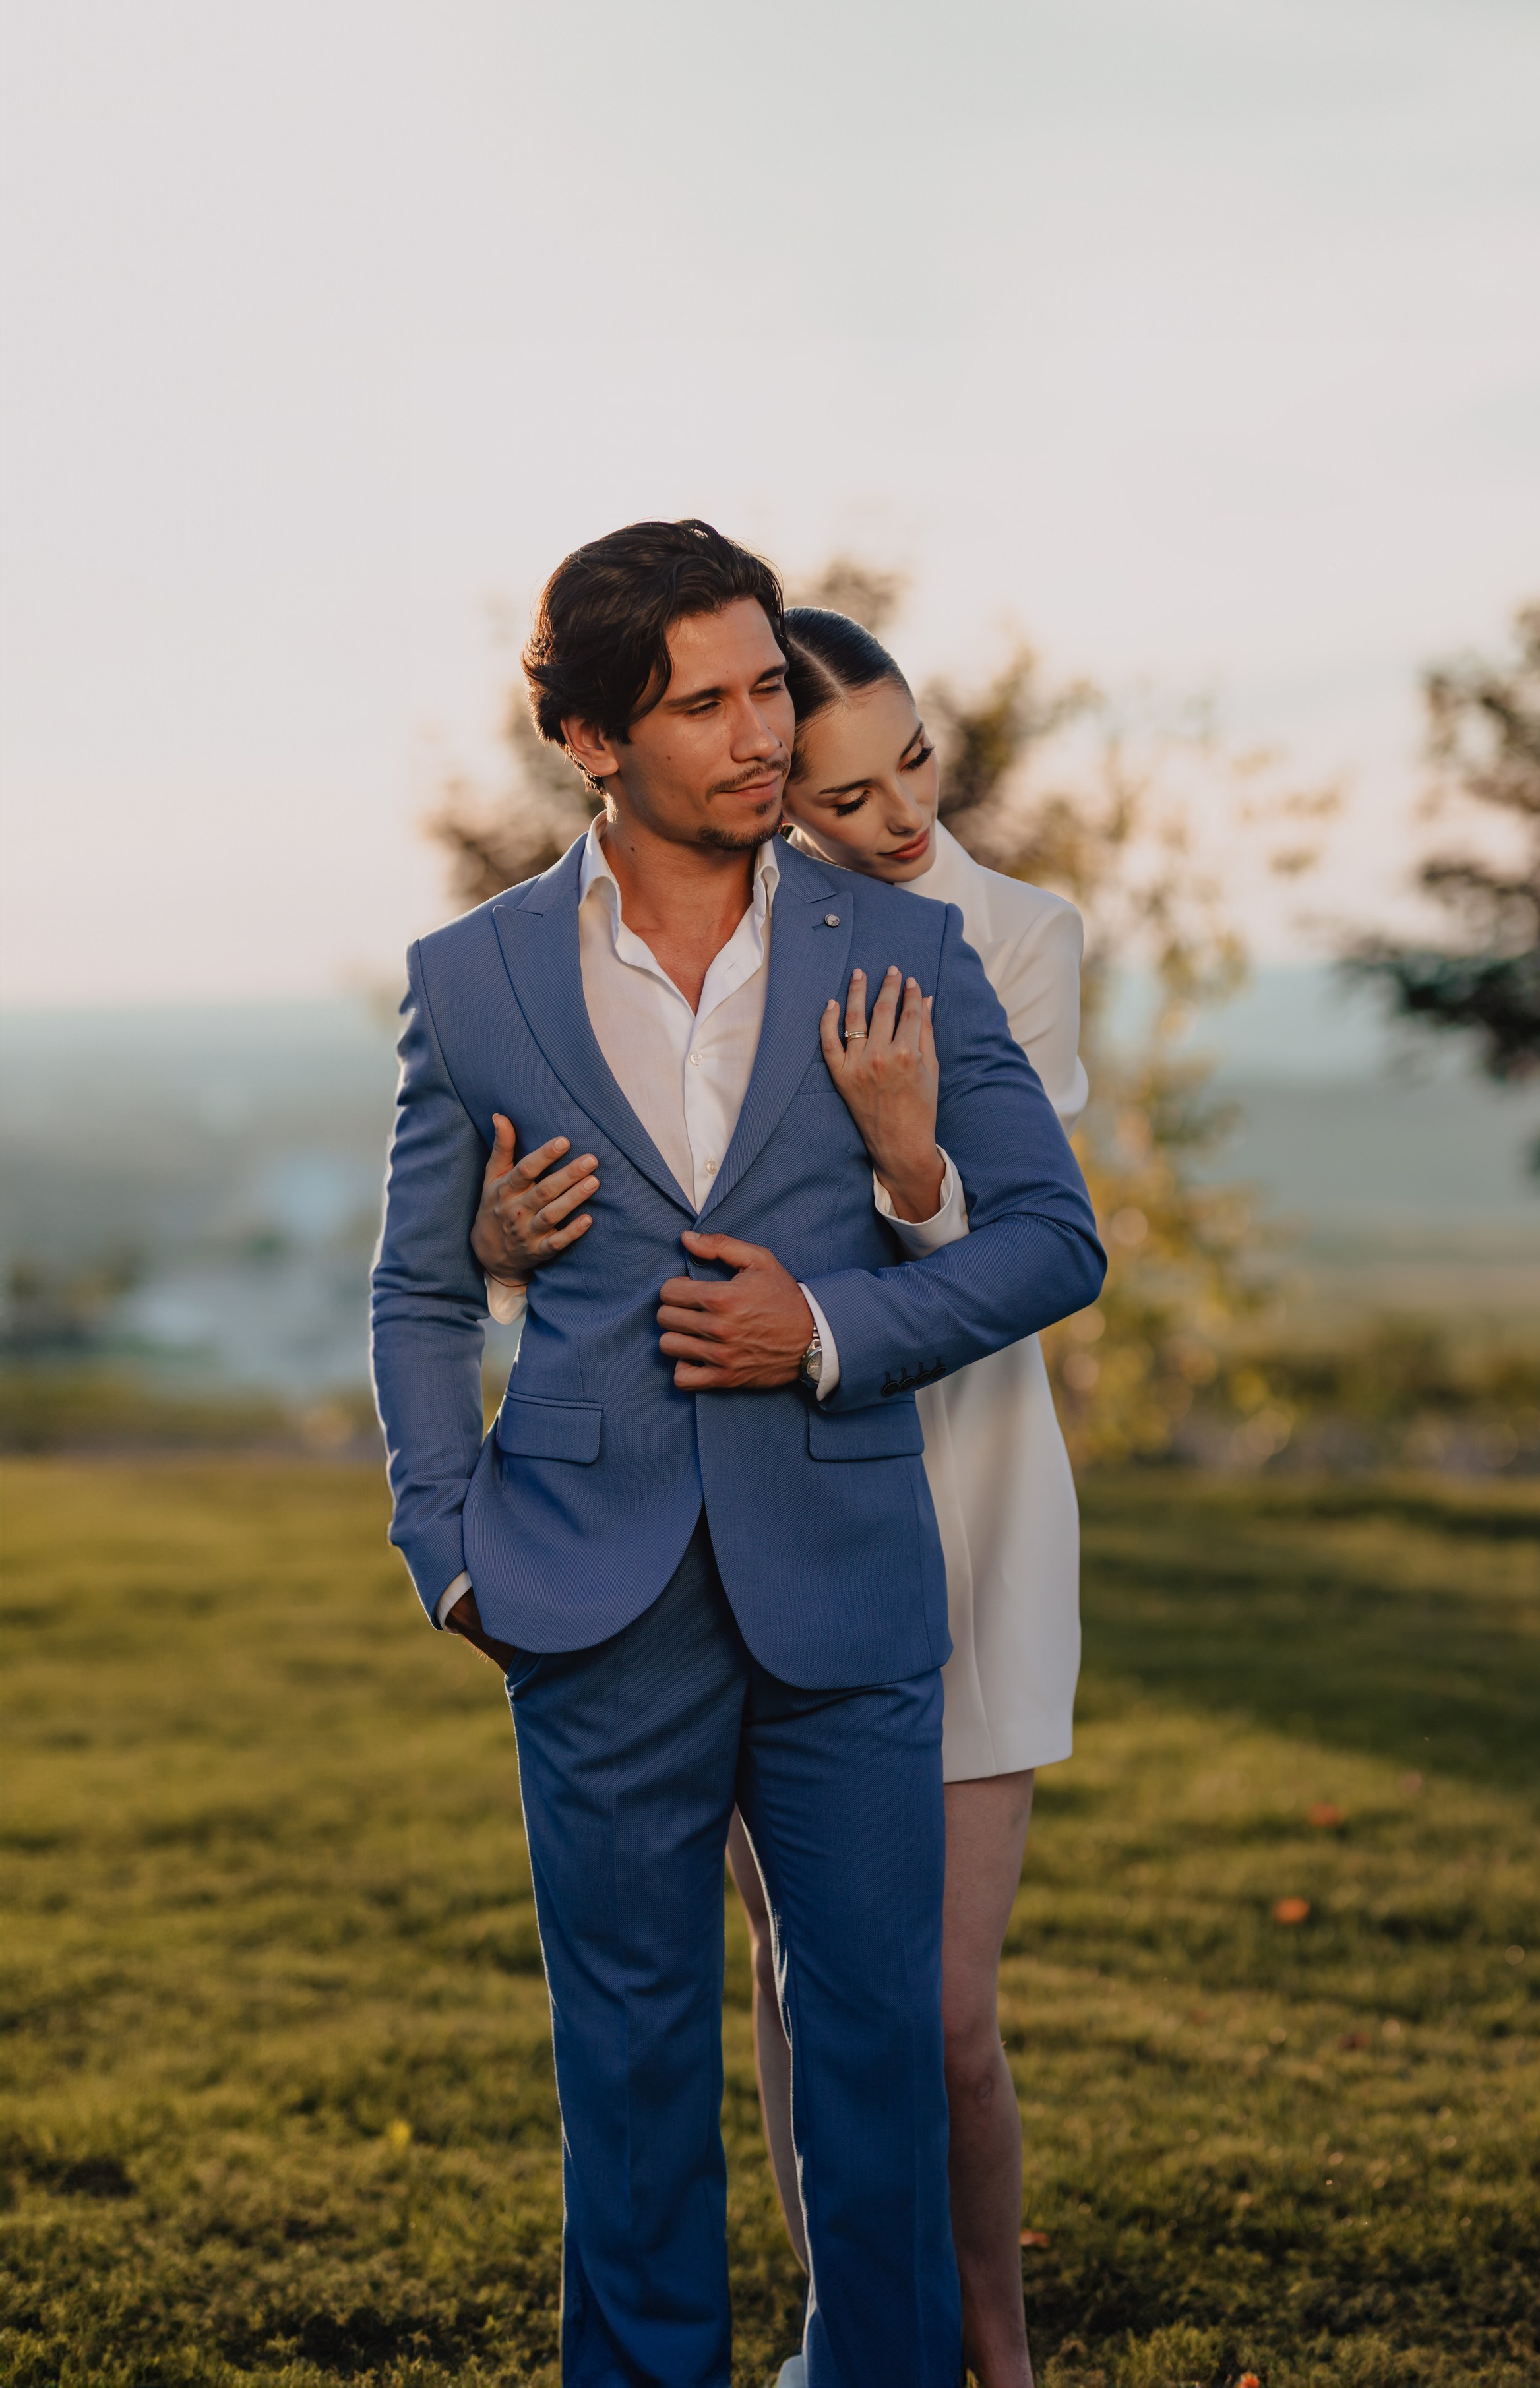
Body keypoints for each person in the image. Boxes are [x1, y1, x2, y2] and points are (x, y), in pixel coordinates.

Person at [370, 518, 1106, 2388]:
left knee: (876, 2057)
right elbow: (420, 1290)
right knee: (625, 2078)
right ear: (594, 741)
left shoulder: (910, 947)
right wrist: (444, 1544)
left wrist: (830, 1333)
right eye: (705, 704)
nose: (763, 732)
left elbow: (1052, 1239)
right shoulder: (472, 977)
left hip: (847, 1578)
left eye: (770, 684)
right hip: (582, 1587)